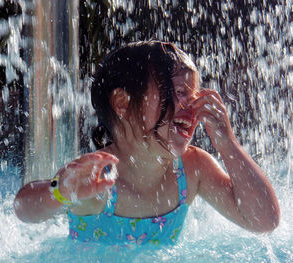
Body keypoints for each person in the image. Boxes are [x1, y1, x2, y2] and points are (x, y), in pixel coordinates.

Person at [14, 41, 280, 246]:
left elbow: (264, 221)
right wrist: (59, 192)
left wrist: (228, 144)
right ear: (122, 103)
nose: (193, 106)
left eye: (195, 93)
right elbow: (23, 209)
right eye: (179, 92)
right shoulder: (99, 178)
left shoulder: (192, 169)